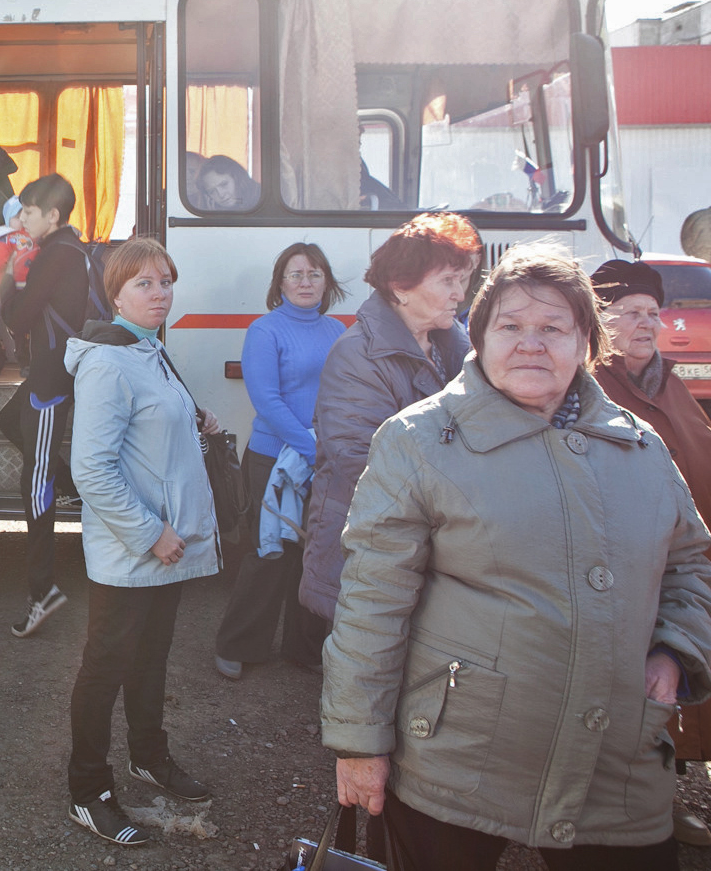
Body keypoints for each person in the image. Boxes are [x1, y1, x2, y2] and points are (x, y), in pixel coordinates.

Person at [324, 243, 711, 871]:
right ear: (478, 338)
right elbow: (372, 603)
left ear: (587, 343)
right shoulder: (418, 442)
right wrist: (358, 743)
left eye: (554, 327)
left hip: (617, 772)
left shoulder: (641, 448)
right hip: (456, 764)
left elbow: (692, 565)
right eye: (510, 326)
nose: (531, 342)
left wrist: (673, 649)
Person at [63, 238, 219, 846]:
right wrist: (151, 533)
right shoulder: (109, 360)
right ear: (117, 294)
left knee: (150, 659)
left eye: (165, 281)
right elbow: (93, 469)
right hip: (136, 551)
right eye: (145, 284)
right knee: (105, 668)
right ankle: (88, 789)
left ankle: (148, 755)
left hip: (165, 548)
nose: (160, 293)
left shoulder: (149, 351)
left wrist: (195, 419)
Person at [299, 212, 483, 622]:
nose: (460, 294)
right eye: (448, 281)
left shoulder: (455, 345)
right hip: (370, 545)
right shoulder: (357, 355)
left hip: (430, 542)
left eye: (462, 280)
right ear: (401, 287)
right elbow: (363, 462)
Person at [590, 258, 711, 847]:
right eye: (630, 312)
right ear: (601, 320)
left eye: (652, 312)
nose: (647, 323)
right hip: (622, 565)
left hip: (683, 560)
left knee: (674, 678)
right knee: (628, 690)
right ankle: (624, 812)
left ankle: (665, 802)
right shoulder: (586, 384)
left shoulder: (668, 379)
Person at [212, 243, 347, 680]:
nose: (305, 282)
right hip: (275, 458)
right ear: (280, 284)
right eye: (295, 274)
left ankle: (303, 649)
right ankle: (237, 645)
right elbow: (267, 401)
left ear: (327, 282)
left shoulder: (337, 330)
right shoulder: (264, 330)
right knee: (266, 552)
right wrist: (310, 448)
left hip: (322, 458)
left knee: (315, 552)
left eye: (314, 274)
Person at [0, 173, 90, 637]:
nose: (22, 219)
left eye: (29, 212)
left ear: (51, 215)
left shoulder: (53, 255)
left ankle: (42, 592)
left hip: (50, 381)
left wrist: (12, 274)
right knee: (5, 419)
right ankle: (69, 480)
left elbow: (18, 318)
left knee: (33, 485)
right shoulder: (72, 248)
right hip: (48, 375)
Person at [196, 154, 261, 211]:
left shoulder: (262, 197)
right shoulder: (212, 209)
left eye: (224, 184)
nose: (221, 195)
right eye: (212, 191)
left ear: (237, 178)